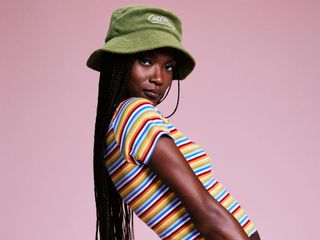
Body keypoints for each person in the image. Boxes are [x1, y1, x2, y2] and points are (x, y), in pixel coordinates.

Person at [87, 5, 261, 240]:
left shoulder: (120, 125)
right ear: (119, 61)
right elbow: (206, 213)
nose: (159, 78)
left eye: (168, 66)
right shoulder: (136, 115)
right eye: (146, 60)